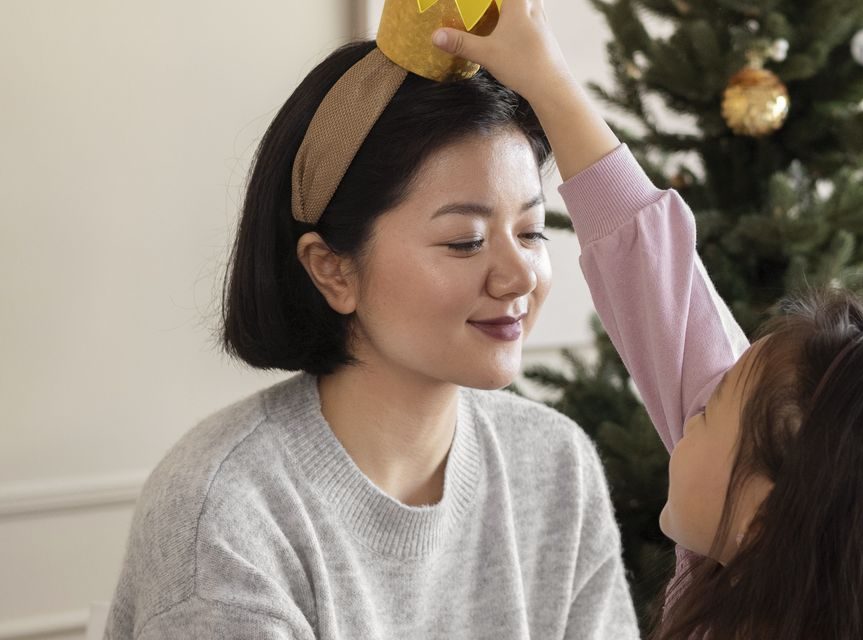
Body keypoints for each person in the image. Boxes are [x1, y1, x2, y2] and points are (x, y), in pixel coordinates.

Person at [433, 1, 863, 637]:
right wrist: (545, 79)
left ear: (765, 519)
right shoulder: (756, 539)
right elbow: (658, 283)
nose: (689, 414)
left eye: (709, 412)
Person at [104, 39, 638, 639]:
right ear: (332, 269)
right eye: (465, 240)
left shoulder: (556, 462)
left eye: (533, 231)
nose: (519, 276)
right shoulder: (224, 512)